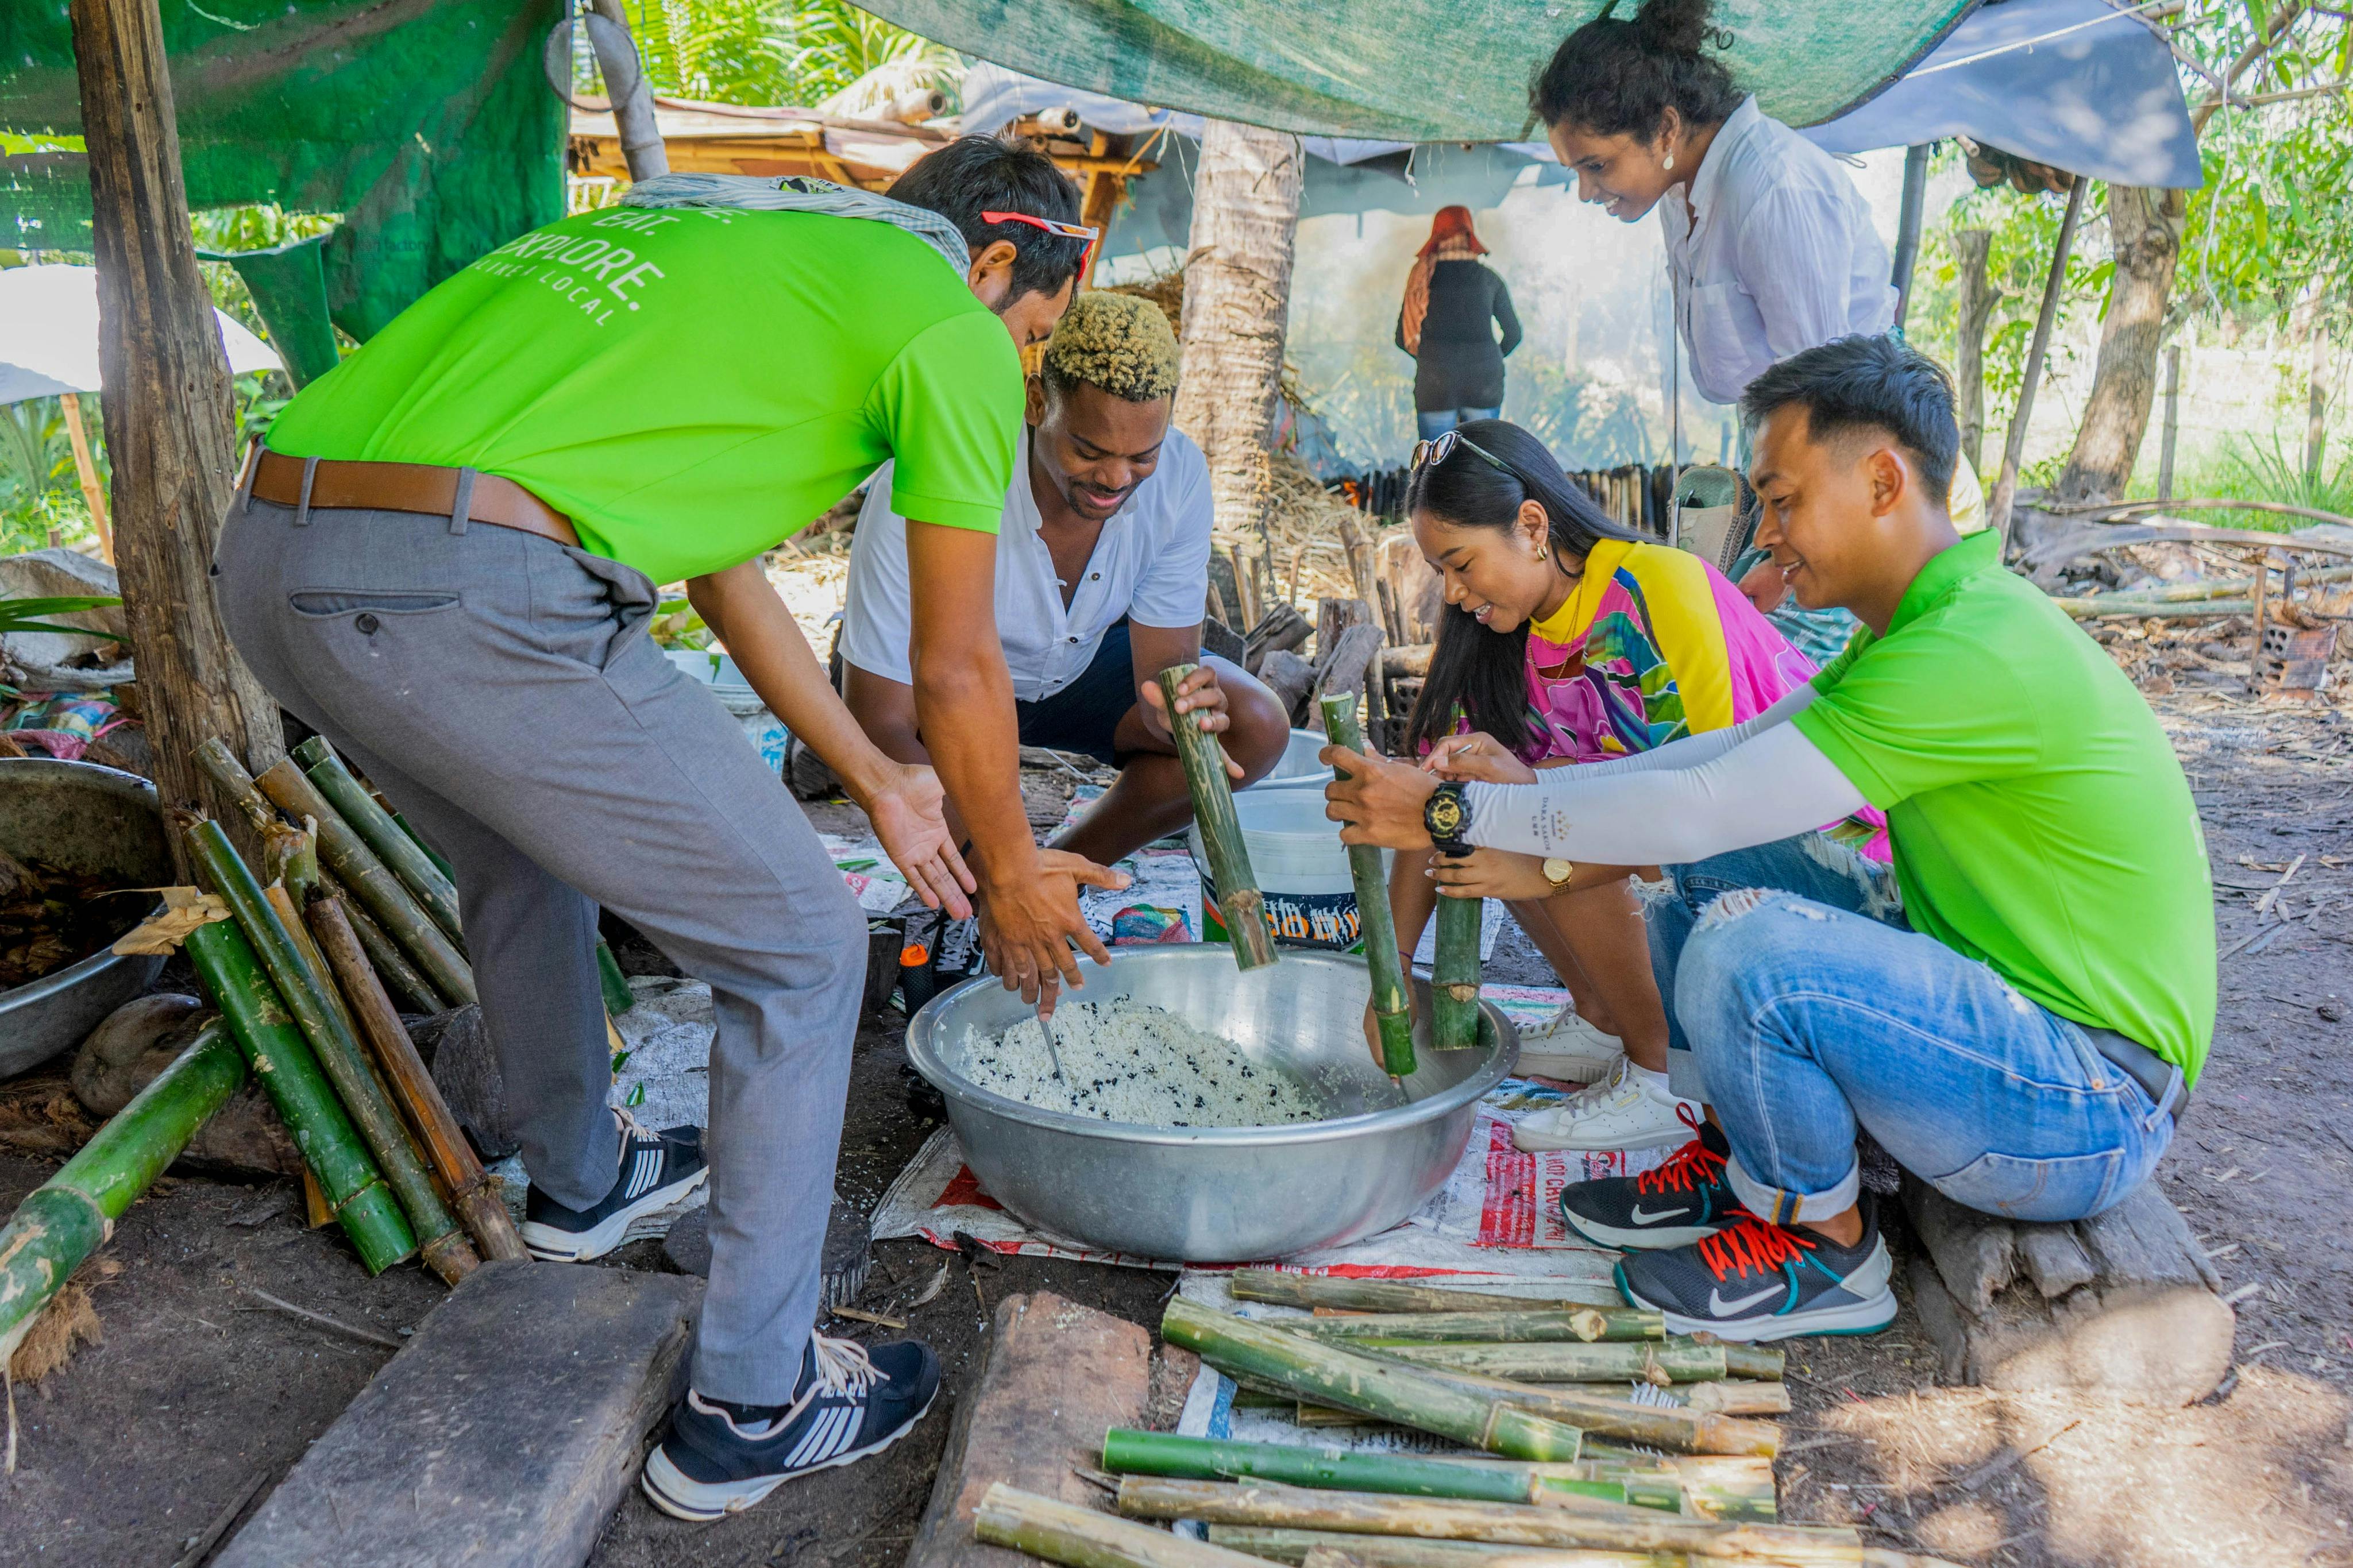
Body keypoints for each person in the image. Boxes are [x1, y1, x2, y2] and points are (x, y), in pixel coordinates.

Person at [217, 137, 1123, 1519]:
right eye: (1039, 332)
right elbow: (957, 668)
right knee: (806, 949)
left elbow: (720, 566)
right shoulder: (945, 322)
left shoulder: (724, 241)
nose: (1022, 361)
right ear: (996, 263)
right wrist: (1007, 872)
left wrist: (878, 783)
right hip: (475, 587)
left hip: (278, 559)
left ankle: (580, 1181)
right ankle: (752, 1402)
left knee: (520, 846)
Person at [1325, 336, 2212, 1342]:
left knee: (1755, 944)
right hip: (2008, 1030)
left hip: (2088, 1098)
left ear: (1882, 481)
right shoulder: (1926, 629)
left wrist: (1454, 814)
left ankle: (1825, 1247)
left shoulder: (1973, 649)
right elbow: (1707, 770)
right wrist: (1488, 810)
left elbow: (1705, 802)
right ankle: (1736, 1153)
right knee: (1715, 872)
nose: (1767, 534)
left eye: (1782, 500)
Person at [1388, 419, 1878, 1154]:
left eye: (1461, 565)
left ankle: (1664, 1077)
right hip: (1689, 856)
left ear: (1530, 525)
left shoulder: (1655, 591)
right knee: (1489, 794)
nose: (1453, 595)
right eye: (1443, 575)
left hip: (1811, 874)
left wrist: (1536, 795)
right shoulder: (1506, 630)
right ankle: (1601, 1016)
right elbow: (1432, 799)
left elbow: (1710, 813)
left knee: (1554, 807)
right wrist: (1387, 979)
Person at [1531, 0, 1982, 666]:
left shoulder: (1771, 189)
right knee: (1735, 660)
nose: (1585, 192)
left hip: (1860, 471)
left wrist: (1787, 548)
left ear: (1664, 128)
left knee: (1776, 681)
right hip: (1808, 466)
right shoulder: (1680, 187)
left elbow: (1829, 403)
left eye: (1596, 166)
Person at [842, 289, 1291, 866]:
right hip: (943, 686)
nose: (1115, 477)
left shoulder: (1178, 474)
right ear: (1035, 403)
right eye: (1088, 450)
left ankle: (1069, 872)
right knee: (985, 874)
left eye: (1141, 456)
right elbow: (879, 720)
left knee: (1253, 726)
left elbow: (1161, 676)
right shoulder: (942, 467)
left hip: (1076, 678)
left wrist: (1173, 712)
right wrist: (997, 869)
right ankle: (999, 881)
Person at [1395, 206, 1523, 440]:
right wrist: (1487, 358)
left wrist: (1433, 359)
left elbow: (1402, 339)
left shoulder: (1422, 280)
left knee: (1437, 468)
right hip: (1484, 385)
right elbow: (1514, 334)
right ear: (1469, 237)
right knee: (1479, 466)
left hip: (1435, 388)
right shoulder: (1489, 279)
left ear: (1436, 238)